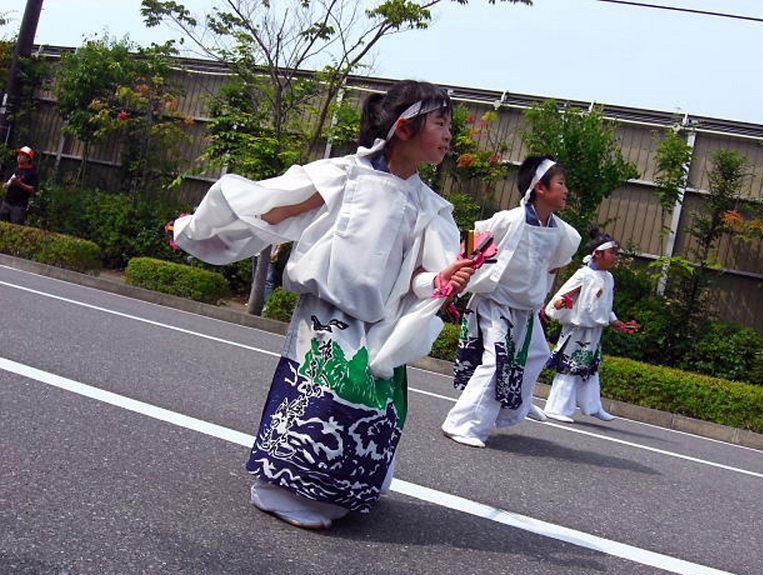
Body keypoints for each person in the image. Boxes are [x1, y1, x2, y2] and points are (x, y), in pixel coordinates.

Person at [171, 80, 475, 529]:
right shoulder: (345, 175)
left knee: (376, 410)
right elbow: (274, 207)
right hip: (327, 315)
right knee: (328, 399)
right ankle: (275, 489)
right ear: (406, 127)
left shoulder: (427, 205)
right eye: (442, 123)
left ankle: (338, 490)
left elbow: (418, 277)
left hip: (380, 323)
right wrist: (196, 229)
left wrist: (442, 279)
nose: (450, 136)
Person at [441, 156, 581, 448]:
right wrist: (458, 280)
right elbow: (472, 241)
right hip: (496, 302)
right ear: (540, 188)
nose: (566, 189)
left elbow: (556, 264)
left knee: (537, 354)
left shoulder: (564, 233)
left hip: (525, 309)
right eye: (561, 183)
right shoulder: (508, 220)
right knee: (497, 361)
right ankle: (462, 423)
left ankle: (512, 405)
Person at [542, 231, 639, 423]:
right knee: (570, 367)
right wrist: (560, 304)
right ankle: (556, 407)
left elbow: (606, 304)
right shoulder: (583, 275)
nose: (615, 257)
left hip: (595, 330)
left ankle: (593, 406)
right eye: (612, 252)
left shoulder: (609, 278)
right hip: (577, 329)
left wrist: (614, 320)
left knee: (590, 368)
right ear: (598, 254)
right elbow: (561, 297)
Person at [1, 146, 39, 225]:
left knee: (15, 226)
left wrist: (20, 184)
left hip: (19, 206)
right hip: (7, 203)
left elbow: (33, 190)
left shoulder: (32, 173)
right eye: (19, 155)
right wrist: (5, 185)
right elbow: (6, 183)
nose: (19, 157)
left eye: (22, 155)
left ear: (28, 158)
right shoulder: (13, 170)